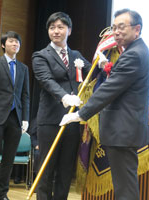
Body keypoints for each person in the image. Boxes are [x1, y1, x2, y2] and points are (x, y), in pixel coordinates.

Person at [60, 8, 149, 200]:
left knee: (125, 188)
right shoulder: (136, 51)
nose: (116, 32)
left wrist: (80, 113)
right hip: (124, 131)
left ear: (137, 29)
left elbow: (109, 89)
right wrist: (105, 66)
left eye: (121, 27)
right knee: (124, 185)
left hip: (123, 131)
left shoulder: (134, 54)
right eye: (114, 27)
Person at [32, 12, 91, 200]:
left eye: (60, 27)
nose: (56, 31)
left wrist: (104, 66)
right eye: (52, 27)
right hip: (50, 120)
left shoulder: (76, 55)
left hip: (72, 119)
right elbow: (47, 81)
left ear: (69, 30)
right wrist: (64, 96)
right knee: (46, 169)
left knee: (66, 170)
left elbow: (93, 73)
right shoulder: (41, 56)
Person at [0, 31, 30, 200]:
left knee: (9, 158)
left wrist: (25, 117)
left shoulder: (23, 68)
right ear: (3, 45)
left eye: (17, 42)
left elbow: (25, 95)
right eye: (11, 41)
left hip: (16, 117)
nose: (15, 44)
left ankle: (2, 192)